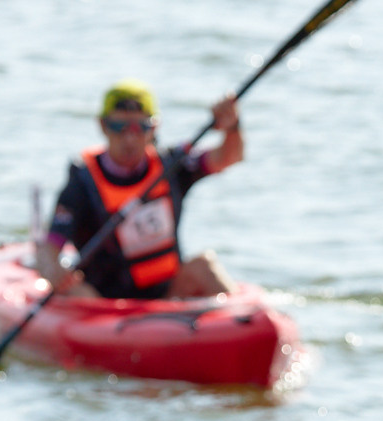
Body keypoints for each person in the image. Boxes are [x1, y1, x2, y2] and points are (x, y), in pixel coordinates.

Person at [36, 79, 244, 301]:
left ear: (154, 128)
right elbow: (51, 245)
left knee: (204, 265)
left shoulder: (171, 166)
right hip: (104, 302)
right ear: (102, 126)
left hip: (166, 293)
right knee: (76, 291)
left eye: (140, 127)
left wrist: (232, 126)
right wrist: (53, 271)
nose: (129, 138)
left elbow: (228, 157)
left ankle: (246, 325)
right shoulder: (82, 181)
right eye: (119, 127)